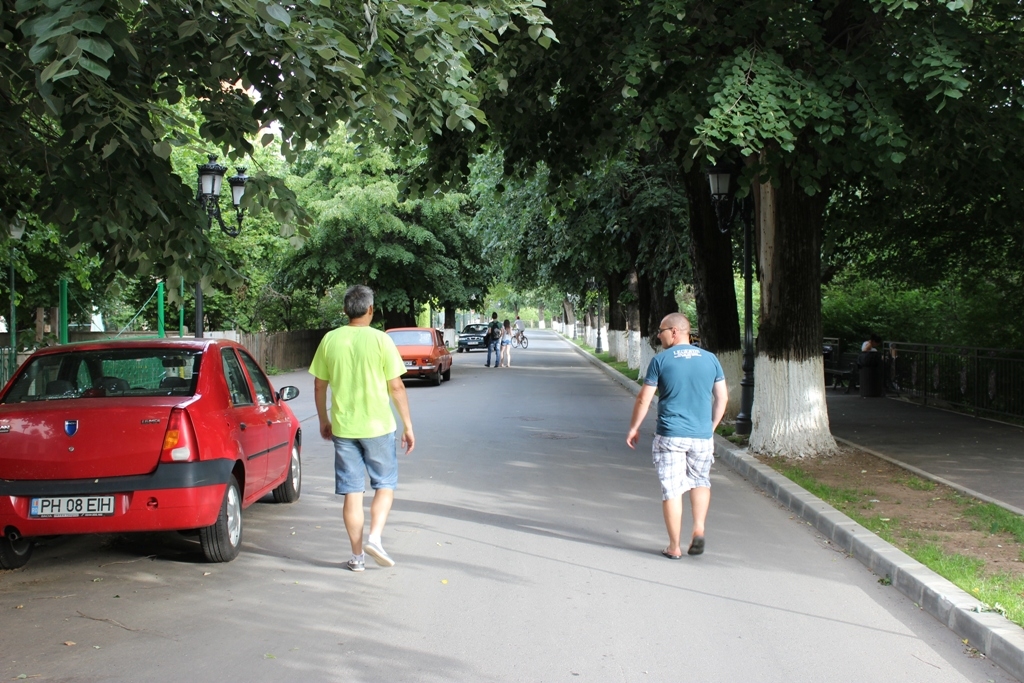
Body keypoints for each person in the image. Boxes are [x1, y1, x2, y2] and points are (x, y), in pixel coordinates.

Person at [310, 285, 415, 572]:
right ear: (370, 309)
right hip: (378, 427)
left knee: (352, 492)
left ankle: (357, 557)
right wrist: (407, 426)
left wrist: (323, 420)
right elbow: (396, 387)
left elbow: (319, 385)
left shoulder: (330, 340)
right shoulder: (381, 340)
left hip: (344, 428)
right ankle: (375, 539)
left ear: (345, 310)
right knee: (385, 484)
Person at [626, 313, 728, 559]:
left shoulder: (661, 360)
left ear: (674, 332)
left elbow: (644, 398)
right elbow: (722, 397)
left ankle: (674, 546)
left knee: (672, 489)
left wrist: (634, 427)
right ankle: (699, 529)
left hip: (671, 435)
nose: (658, 335)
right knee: (700, 481)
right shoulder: (710, 359)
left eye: (661, 331)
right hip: (701, 436)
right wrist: (711, 427)